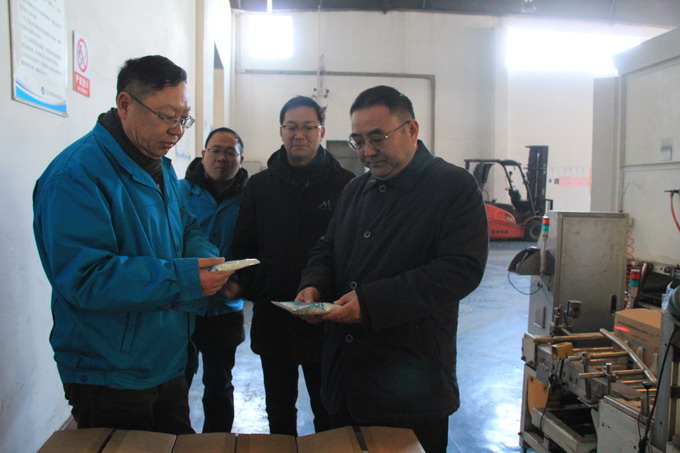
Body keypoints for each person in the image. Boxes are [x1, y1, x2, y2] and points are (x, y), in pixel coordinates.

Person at [32, 55, 233, 435]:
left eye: (184, 117)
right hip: (110, 371)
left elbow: (184, 225)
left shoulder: (158, 166)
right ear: (125, 104)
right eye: (166, 116)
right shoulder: (76, 176)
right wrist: (184, 279)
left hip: (166, 358)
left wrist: (204, 255)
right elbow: (85, 277)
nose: (177, 130)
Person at [295, 85, 489, 453]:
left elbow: (460, 269)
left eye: (377, 138)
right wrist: (314, 284)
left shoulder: (453, 187)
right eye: (358, 141)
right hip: (344, 384)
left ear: (411, 130)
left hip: (412, 389)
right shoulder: (355, 190)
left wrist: (371, 303)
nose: (367, 151)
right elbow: (328, 248)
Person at [230, 96, 355, 436]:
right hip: (274, 318)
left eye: (308, 127)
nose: (299, 135)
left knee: (329, 414)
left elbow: (352, 253)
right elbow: (243, 247)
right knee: (279, 413)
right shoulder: (260, 187)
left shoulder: (346, 185)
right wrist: (255, 286)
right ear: (281, 131)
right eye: (292, 127)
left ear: (322, 131)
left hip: (325, 319)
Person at [180, 127, 248, 433]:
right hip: (183, 306)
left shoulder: (250, 198)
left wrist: (242, 285)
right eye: (216, 151)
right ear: (203, 154)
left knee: (219, 384)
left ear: (241, 159)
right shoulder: (178, 193)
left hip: (226, 308)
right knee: (176, 382)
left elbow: (257, 246)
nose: (222, 158)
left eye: (230, 152)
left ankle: (216, 443)